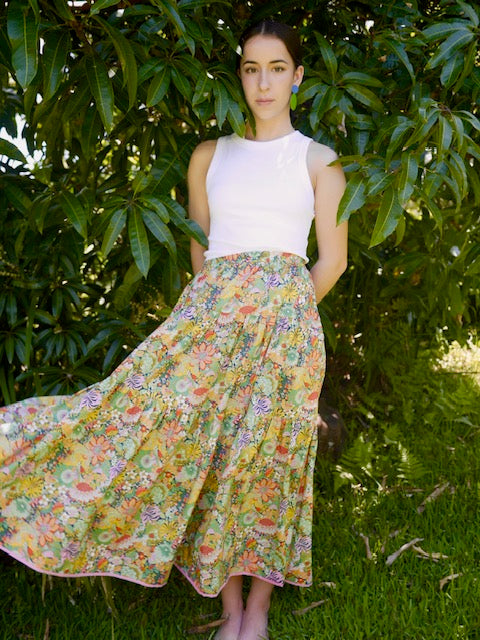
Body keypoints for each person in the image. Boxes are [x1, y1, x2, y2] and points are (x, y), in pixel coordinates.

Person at [0, 19, 347, 640]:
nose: (262, 83)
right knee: (160, 429)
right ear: (239, 76)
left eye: (275, 69)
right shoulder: (209, 157)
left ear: (297, 77)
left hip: (287, 336)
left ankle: (256, 615)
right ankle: (228, 601)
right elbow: (200, 250)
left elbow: (332, 260)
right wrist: (221, 311)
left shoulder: (320, 161)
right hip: (207, 328)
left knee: (270, 460)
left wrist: (280, 310)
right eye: (250, 69)